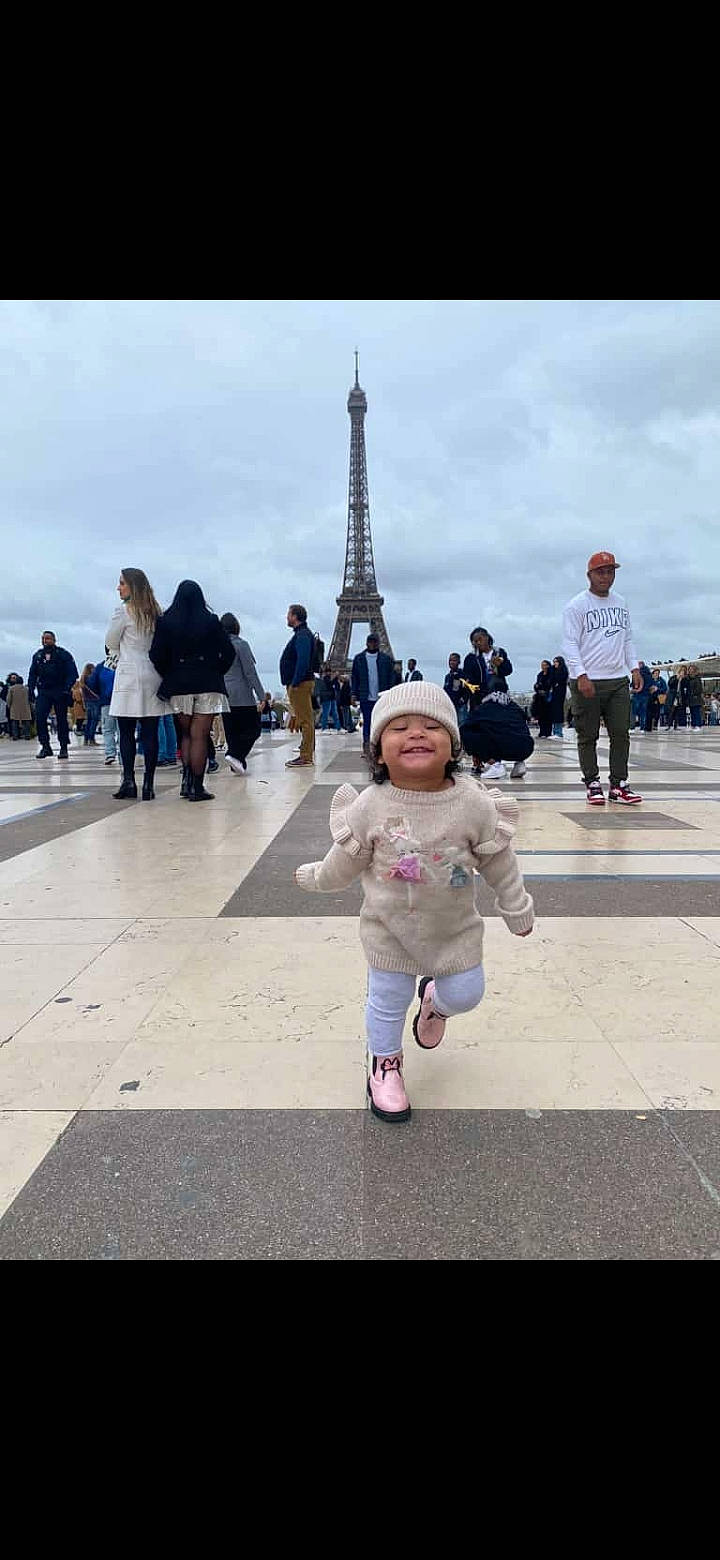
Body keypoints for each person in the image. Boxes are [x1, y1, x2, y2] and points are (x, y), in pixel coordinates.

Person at [294, 682, 534, 1123]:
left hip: (454, 931)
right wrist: (318, 878)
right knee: (387, 1000)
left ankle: (435, 1003)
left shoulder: (473, 802)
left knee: (467, 994)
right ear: (378, 751)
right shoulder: (370, 805)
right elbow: (346, 859)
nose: (416, 734)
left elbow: (499, 860)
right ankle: (385, 1065)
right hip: (389, 931)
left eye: (431, 726)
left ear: (453, 745)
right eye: (399, 727)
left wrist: (516, 906)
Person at [562, 550, 643, 804]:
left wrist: (634, 668)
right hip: (588, 680)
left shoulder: (621, 603)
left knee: (621, 733)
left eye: (610, 572)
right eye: (600, 572)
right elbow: (570, 644)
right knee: (588, 735)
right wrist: (581, 674)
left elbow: (627, 639)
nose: (606, 577)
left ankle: (618, 784)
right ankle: (592, 782)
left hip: (617, 680)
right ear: (589, 575)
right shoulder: (577, 606)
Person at [149, 580, 234, 801]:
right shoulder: (211, 621)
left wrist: (170, 673)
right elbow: (229, 652)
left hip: (179, 685)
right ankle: (197, 786)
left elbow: (156, 654)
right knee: (200, 736)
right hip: (207, 682)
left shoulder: (165, 621)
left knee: (186, 735)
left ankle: (186, 781)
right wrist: (216, 670)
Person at [106, 567, 165, 801]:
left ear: (132, 586)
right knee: (151, 732)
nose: (118, 588)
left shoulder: (123, 611)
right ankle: (148, 784)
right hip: (151, 673)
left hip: (129, 674)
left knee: (126, 732)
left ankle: (129, 780)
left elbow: (111, 641)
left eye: (122, 583)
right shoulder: (155, 612)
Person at [220, 612, 265, 773]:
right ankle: (235, 755)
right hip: (242, 695)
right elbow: (250, 672)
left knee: (232, 732)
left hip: (224, 695)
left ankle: (237, 762)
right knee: (254, 729)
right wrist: (261, 695)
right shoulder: (241, 645)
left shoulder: (217, 646)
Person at [28, 631, 78, 760]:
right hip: (44, 691)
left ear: (54, 640)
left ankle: (63, 747)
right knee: (40, 717)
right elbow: (32, 674)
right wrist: (31, 690)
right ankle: (45, 746)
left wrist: (67, 688)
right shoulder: (38, 656)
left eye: (48, 638)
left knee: (61, 719)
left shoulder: (63, 654)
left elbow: (72, 673)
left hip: (60, 690)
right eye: (43, 638)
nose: (45, 641)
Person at [279, 605, 317, 769]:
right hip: (301, 682)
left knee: (305, 720)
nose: (287, 617)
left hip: (300, 684)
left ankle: (306, 756)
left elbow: (303, 660)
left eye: (289, 614)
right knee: (306, 719)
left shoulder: (302, 635)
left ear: (295, 616)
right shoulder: (302, 634)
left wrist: (295, 682)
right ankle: (306, 753)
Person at [351, 632, 396, 757]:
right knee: (367, 722)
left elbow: (391, 678)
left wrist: (391, 693)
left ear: (378, 643)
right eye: (371, 642)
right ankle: (367, 748)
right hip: (366, 696)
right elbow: (354, 678)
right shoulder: (359, 659)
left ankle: (379, 748)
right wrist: (353, 693)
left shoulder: (386, 660)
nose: (372, 644)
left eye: (374, 642)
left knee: (381, 723)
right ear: (367, 643)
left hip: (382, 697)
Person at [86, 652, 118, 764]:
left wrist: (101, 693)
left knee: (108, 730)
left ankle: (110, 753)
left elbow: (92, 683)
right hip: (123, 701)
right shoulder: (125, 662)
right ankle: (124, 755)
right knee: (123, 730)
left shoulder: (102, 666)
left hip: (106, 702)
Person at [79, 664, 101, 744]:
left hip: (87, 701)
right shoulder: (91, 679)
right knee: (94, 720)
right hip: (94, 700)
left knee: (89, 720)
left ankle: (86, 739)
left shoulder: (82, 680)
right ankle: (91, 739)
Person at [532, 661, 554, 739]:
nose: (543, 667)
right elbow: (537, 684)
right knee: (540, 715)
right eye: (542, 665)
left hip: (547, 697)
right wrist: (537, 686)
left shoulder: (551, 674)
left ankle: (548, 732)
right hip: (540, 698)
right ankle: (542, 731)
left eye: (544, 665)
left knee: (547, 715)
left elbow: (550, 685)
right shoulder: (540, 675)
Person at [5, 675, 32, 740]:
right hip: (25, 707)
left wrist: (9, 706)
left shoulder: (11, 689)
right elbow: (30, 698)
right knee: (26, 722)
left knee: (14, 722)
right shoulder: (26, 689)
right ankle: (27, 735)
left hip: (14, 708)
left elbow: (8, 699)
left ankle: (15, 736)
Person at [317, 664, 341, 730]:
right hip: (326, 698)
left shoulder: (330, 678)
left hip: (332, 697)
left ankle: (338, 727)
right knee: (326, 713)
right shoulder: (325, 678)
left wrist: (336, 678)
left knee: (334, 713)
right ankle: (324, 727)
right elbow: (329, 683)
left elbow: (336, 686)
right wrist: (334, 677)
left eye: (330, 671)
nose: (329, 673)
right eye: (328, 672)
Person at [550, 656, 568, 737]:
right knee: (554, 712)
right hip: (554, 693)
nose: (555, 664)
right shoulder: (553, 670)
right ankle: (555, 731)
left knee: (558, 711)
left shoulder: (563, 671)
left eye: (556, 662)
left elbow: (561, 680)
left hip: (560, 693)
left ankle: (558, 732)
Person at [684, 664, 704, 730]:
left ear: (694, 670)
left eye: (691, 669)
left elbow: (699, 688)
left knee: (696, 712)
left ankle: (698, 725)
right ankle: (693, 725)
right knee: (692, 712)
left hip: (696, 698)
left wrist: (694, 693)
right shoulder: (688, 678)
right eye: (689, 669)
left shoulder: (697, 678)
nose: (690, 670)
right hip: (690, 699)